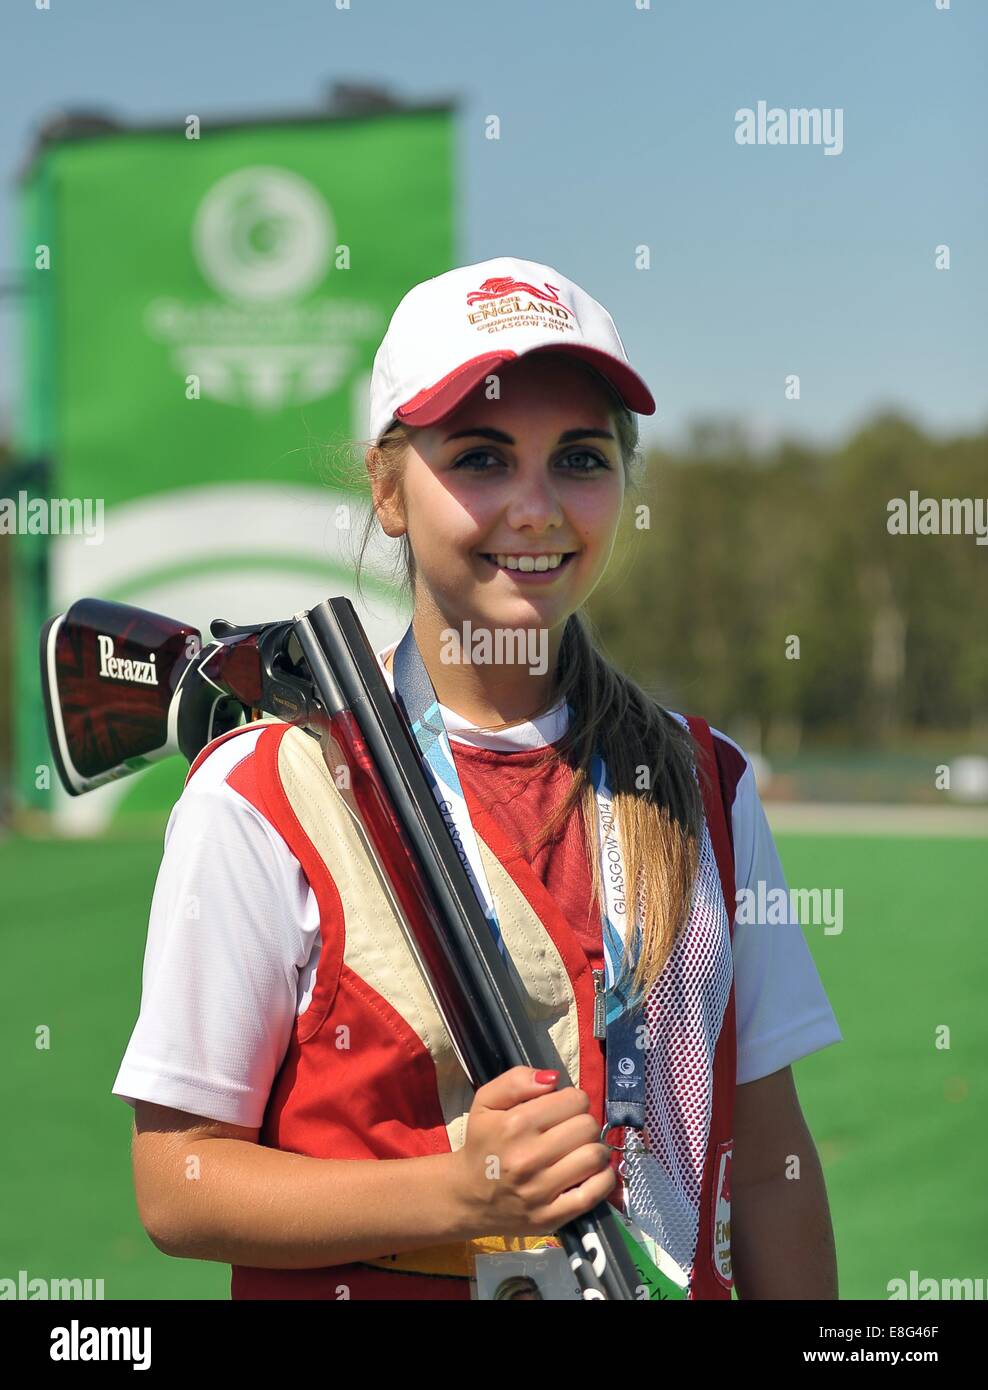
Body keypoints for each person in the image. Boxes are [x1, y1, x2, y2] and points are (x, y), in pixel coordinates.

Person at [113, 255, 842, 1301]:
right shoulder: (265, 789)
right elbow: (176, 1184)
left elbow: (772, 1159)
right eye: (482, 458)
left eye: (581, 459)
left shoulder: (702, 780)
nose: (536, 507)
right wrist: (459, 1194)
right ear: (387, 489)